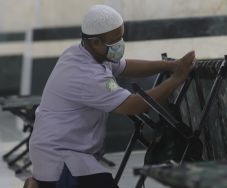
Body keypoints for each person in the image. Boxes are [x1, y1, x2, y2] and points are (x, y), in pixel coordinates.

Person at [28, 4, 195, 188]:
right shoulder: (88, 75)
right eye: (115, 41)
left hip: (60, 150)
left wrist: (169, 66)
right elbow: (135, 105)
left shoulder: (83, 53)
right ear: (95, 42)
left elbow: (126, 66)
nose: (120, 44)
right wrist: (177, 79)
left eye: (121, 37)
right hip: (61, 159)